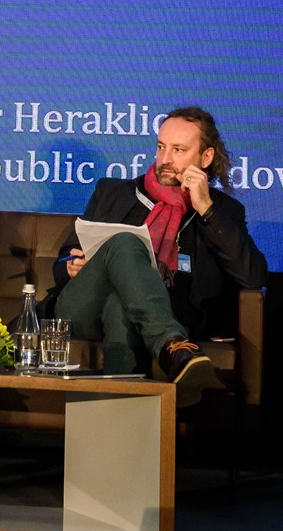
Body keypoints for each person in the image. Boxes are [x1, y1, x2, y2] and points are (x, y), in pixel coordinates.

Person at [49, 106, 267, 395]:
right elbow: (63, 259)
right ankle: (171, 345)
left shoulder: (222, 211)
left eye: (178, 150)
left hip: (162, 312)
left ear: (206, 157)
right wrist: (70, 265)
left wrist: (206, 209)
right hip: (84, 309)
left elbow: (252, 276)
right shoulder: (113, 193)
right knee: (125, 242)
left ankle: (121, 417)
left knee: (121, 306)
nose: (165, 160)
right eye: (161, 147)